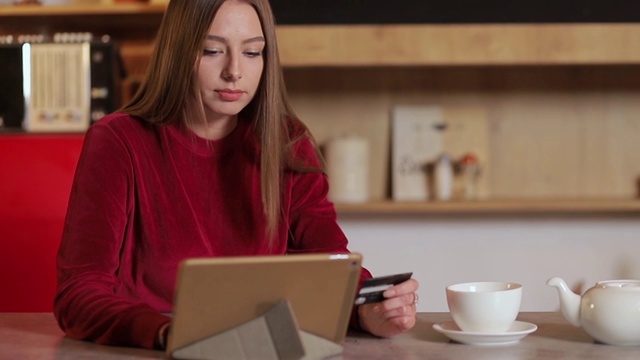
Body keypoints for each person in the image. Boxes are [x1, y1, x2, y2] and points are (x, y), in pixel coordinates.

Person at [54, 0, 419, 350]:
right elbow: (79, 294)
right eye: (212, 51)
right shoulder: (119, 141)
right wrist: (170, 332)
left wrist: (367, 309)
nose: (234, 71)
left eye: (252, 52)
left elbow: (330, 267)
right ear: (178, 53)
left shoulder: (287, 141)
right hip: (152, 350)